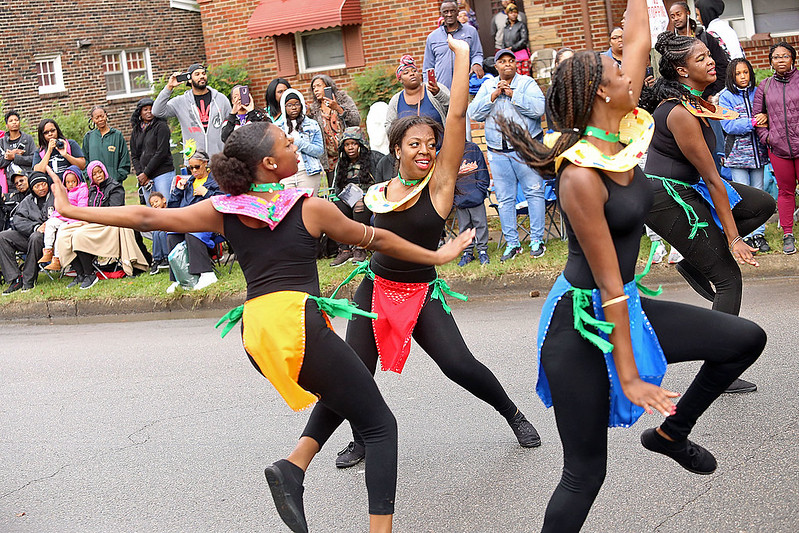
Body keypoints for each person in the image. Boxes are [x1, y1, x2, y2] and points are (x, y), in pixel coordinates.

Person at [49, 119, 475, 533]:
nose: (293, 145)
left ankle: (293, 469)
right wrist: (437, 256)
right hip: (298, 325)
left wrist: (71, 209)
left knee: (345, 389)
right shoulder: (311, 207)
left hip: (255, 332)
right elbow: (377, 239)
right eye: (285, 144)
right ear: (270, 164)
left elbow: (147, 219)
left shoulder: (224, 208)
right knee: (381, 427)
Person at [498, 2, 767, 529]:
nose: (629, 71)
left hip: (625, 303)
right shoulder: (581, 175)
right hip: (580, 326)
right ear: (602, 90)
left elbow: (641, 37)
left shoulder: (623, 138)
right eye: (617, 69)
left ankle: (671, 433)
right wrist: (629, 375)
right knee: (584, 473)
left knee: (745, 339)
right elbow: (608, 286)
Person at [330, 37, 541, 472]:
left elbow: (459, 113)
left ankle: (513, 413)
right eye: (414, 144)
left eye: (431, 143)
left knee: (459, 365)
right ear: (396, 151)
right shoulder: (381, 189)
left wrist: (462, 58)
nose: (425, 150)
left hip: (420, 293)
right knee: (354, 371)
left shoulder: (441, 187)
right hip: (373, 288)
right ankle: (362, 439)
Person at [641, 31, 775, 393]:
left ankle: (694, 259)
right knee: (728, 277)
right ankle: (720, 368)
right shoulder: (680, 113)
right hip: (666, 198)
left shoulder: (694, 101)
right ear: (681, 71)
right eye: (700, 59)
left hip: (688, 188)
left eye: (708, 55)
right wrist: (733, 240)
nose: (710, 60)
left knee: (762, 203)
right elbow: (714, 180)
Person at [468, 48, 547, 261]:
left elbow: (539, 108)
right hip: (498, 153)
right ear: (496, 66)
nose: (507, 65)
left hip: (525, 150)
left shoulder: (527, 83)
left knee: (534, 193)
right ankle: (513, 244)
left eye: (510, 61)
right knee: (504, 199)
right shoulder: (487, 86)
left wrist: (514, 94)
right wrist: (492, 96)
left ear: (516, 64)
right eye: (502, 62)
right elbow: (473, 113)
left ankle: (537, 241)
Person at [55, 161, 146, 290]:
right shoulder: (91, 190)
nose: (98, 175)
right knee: (64, 233)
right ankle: (80, 274)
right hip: (93, 223)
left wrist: (92, 220)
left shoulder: (115, 188)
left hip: (110, 225)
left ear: (104, 171)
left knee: (78, 235)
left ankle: (90, 274)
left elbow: (114, 212)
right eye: (94, 173)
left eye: (100, 172)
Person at [719, 58, 770, 252]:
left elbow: (766, 115)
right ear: (732, 75)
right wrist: (753, 123)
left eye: (745, 72)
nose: (742, 76)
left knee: (760, 192)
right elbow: (729, 125)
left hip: (758, 154)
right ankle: (746, 235)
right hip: (737, 155)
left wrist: (764, 118)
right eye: (738, 73)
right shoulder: (725, 97)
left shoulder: (758, 93)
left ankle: (759, 234)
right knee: (742, 196)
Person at [754, 42, 799, 255]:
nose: (781, 60)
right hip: (779, 149)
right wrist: (767, 137)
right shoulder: (764, 86)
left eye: (785, 56)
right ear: (771, 61)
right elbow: (758, 117)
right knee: (786, 192)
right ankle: (788, 234)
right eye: (776, 57)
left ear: (793, 59)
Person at [166, 150, 223, 293]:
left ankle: (206, 273)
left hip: (209, 222)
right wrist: (178, 191)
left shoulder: (215, 180)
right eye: (190, 168)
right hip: (187, 220)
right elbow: (171, 207)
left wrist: (206, 193)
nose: (194, 171)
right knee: (172, 234)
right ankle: (180, 278)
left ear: (205, 163)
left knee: (193, 231)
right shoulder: (188, 183)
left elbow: (224, 201)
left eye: (197, 167)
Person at [329, 127, 383, 267]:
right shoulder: (342, 163)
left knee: (359, 206)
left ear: (361, 144)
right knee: (334, 208)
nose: (350, 148)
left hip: (369, 197)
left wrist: (365, 196)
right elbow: (337, 188)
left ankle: (361, 248)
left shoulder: (374, 158)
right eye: (347, 145)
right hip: (348, 198)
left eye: (354, 144)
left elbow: (381, 183)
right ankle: (344, 249)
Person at [152, 63, 232, 157]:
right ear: (189, 79)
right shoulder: (181, 101)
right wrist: (169, 87)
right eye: (197, 74)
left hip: (219, 160)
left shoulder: (220, 99)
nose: (202, 76)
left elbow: (230, 125)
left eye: (203, 73)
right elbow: (157, 111)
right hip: (194, 162)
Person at [0, 171, 53, 294]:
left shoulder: (55, 196)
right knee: (2, 237)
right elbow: (18, 220)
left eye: (43, 184)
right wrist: (35, 227)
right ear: (32, 188)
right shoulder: (27, 200)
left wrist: (47, 226)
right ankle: (15, 278)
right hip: (30, 235)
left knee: (36, 237)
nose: (41, 188)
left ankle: (28, 280)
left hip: (51, 239)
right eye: (37, 186)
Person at [668, 2, 728, 99]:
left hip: (709, 96)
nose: (676, 19)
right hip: (684, 97)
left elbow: (722, 65)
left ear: (688, 13)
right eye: (672, 16)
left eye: (679, 14)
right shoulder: (671, 44)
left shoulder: (705, 38)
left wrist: (714, 93)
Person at [423, 0, 484, 90]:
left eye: (452, 11)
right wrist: (427, 86)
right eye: (446, 12)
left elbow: (477, 54)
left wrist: (477, 64)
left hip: (466, 86)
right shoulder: (432, 37)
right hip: (441, 88)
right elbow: (428, 67)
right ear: (441, 14)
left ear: (457, 12)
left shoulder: (471, 32)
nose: (449, 14)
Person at [307, 75, 361, 173]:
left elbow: (356, 120)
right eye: (313, 88)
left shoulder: (343, 99)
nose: (316, 90)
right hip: (330, 159)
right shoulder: (314, 109)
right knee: (335, 186)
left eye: (319, 86)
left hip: (350, 153)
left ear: (328, 86)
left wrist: (338, 108)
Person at [39, 165, 88, 272]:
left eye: (73, 182)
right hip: (63, 216)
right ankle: (47, 250)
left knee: (61, 230)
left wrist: (71, 220)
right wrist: (50, 219)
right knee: (50, 224)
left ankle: (57, 258)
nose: (70, 184)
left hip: (74, 218)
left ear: (78, 180)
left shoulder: (82, 190)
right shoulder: (64, 191)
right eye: (68, 182)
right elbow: (58, 208)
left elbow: (82, 208)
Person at [385, 54, 450, 133]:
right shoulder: (396, 100)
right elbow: (389, 127)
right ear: (400, 79)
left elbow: (453, 107)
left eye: (414, 71)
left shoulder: (435, 88)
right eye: (406, 73)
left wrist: (438, 93)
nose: (412, 74)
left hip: (441, 144)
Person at [130, 97, 175, 206]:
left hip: (163, 173)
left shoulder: (161, 127)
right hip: (145, 178)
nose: (149, 112)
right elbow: (135, 155)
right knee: (151, 209)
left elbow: (161, 152)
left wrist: (146, 173)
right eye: (145, 109)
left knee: (165, 205)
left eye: (151, 109)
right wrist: (141, 174)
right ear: (140, 112)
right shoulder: (136, 130)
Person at [279, 90, 325, 197]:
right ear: (284, 107)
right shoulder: (277, 127)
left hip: (307, 172)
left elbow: (319, 151)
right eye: (289, 105)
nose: (294, 108)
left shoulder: (312, 124)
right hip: (286, 175)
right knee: (288, 207)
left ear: (302, 105)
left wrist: (298, 143)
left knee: (308, 207)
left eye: (296, 104)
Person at [454, 140, 490, 267]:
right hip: (460, 199)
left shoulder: (473, 148)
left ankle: (482, 251)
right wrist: (454, 197)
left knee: (480, 225)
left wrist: (480, 192)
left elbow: (483, 171)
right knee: (464, 228)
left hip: (476, 197)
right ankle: (468, 253)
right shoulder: (448, 151)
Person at [82, 106, 131, 183]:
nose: (100, 119)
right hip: (96, 185)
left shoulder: (117, 135)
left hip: (114, 183)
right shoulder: (89, 137)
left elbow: (124, 159)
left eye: (102, 116)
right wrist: (89, 176)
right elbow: (84, 160)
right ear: (92, 120)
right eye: (97, 118)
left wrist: (118, 176)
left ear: (106, 115)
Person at [0, 111, 36, 185]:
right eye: (11, 121)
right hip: (10, 182)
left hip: (27, 177)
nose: (14, 122)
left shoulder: (28, 139)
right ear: (7, 125)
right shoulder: (2, 142)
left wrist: (15, 157)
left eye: (16, 120)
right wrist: (8, 157)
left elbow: (34, 159)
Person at [501, 3, 530, 76]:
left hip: (521, 55)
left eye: (515, 12)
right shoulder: (506, 28)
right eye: (511, 13)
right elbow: (504, 41)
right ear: (507, 14)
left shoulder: (521, 25)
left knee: (524, 77)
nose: (513, 14)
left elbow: (524, 40)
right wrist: (504, 50)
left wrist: (513, 48)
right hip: (510, 56)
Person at [146, 191, 170, 274]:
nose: (155, 205)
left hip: (171, 231)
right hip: (161, 232)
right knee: (156, 233)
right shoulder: (156, 214)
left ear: (164, 200)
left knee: (162, 233)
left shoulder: (170, 209)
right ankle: (157, 260)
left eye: (156, 201)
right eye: (152, 204)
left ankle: (167, 258)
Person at [1, 166, 29, 230]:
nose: (19, 184)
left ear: (28, 179)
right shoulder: (16, 196)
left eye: (21, 181)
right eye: (16, 183)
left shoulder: (35, 193)